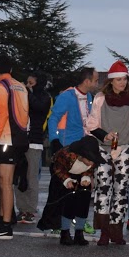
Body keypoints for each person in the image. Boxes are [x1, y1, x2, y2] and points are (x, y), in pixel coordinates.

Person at [89, 61, 129, 245]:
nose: (122, 82)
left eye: (124, 79)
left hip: (125, 148)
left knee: (121, 190)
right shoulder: (100, 98)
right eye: (118, 79)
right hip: (103, 148)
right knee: (103, 188)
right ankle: (104, 231)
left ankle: (116, 231)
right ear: (111, 81)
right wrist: (104, 135)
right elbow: (91, 124)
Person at [42, 66, 100, 240]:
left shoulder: (89, 97)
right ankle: (62, 228)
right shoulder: (67, 97)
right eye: (96, 80)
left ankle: (79, 229)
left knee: (83, 191)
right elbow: (53, 118)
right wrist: (54, 141)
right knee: (66, 191)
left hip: (84, 149)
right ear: (87, 81)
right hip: (68, 150)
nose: (98, 83)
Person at [0, 56, 30, 239]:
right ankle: (1, 220)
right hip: (19, 138)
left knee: (5, 183)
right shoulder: (20, 86)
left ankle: (5, 226)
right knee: (4, 183)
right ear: (10, 68)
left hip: (6, 139)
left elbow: (1, 115)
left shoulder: (0, 87)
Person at [52, 135, 102, 245]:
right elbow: (57, 168)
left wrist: (86, 177)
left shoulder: (91, 161)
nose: (91, 163)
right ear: (82, 155)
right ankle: (64, 233)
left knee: (84, 200)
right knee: (68, 202)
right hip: (64, 174)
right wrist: (66, 180)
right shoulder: (66, 154)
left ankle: (79, 233)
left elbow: (89, 169)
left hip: (81, 176)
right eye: (89, 159)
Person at [16, 71, 51, 225]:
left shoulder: (45, 97)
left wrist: (28, 93)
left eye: (31, 82)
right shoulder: (24, 96)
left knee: (31, 177)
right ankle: (21, 209)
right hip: (20, 141)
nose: (28, 85)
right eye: (27, 82)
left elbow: (39, 108)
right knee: (19, 176)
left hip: (34, 142)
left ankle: (30, 210)